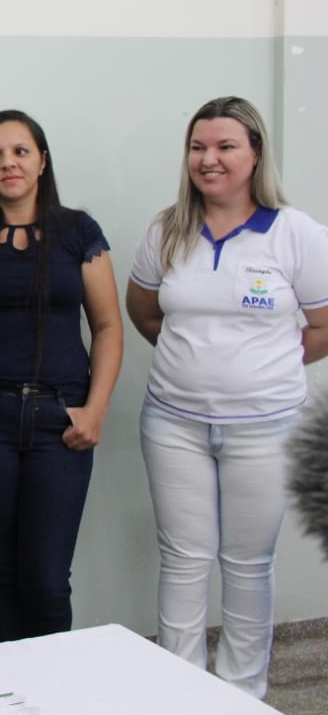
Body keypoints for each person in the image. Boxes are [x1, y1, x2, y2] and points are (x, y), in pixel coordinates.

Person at [126, 96, 328, 698]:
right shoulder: (167, 229)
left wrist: (263, 367)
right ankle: (181, 696)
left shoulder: (295, 233)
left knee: (247, 565)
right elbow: (144, 311)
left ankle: (242, 696)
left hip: (267, 430)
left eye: (225, 146)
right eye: (198, 147)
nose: (208, 159)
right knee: (183, 561)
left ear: (255, 154)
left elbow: (322, 325)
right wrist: (201, 359)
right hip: (174, 425)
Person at [0, 110, 123, 643]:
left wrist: (96, 411)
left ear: (42, 161)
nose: (8, 163)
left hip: (61, 423)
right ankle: (9, 681)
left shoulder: (78, 232)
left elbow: (109, 326)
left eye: (20, 151)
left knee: (46, 581)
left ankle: (54, 684)